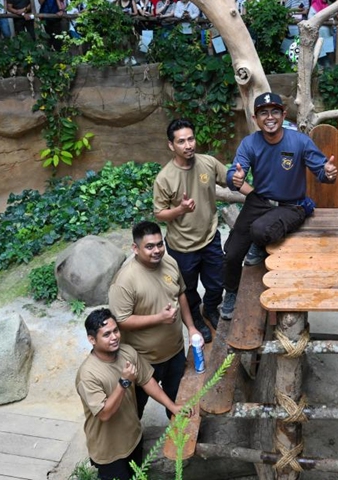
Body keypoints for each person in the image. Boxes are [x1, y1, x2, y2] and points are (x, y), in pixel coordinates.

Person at [220, 92, 338, 320]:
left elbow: (322, 172)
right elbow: (234, 173)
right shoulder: (250, 143)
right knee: (232, 253)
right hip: (260, 201)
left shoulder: (299, 141)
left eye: (275, 111)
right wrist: (234, 178)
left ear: (284, 114)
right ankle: (231, 292)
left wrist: (329, 173)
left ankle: (265, 237)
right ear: (255, 118)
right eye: (263, 113)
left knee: (260, 230)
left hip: (291, 204)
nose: (270, 117)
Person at [154, 119, 251, 341]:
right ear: (171, 145)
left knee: (217, 282)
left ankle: (210, 308)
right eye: (181, 141)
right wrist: (179, 209)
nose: (188, 145)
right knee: (187, 289)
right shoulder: (165, 178)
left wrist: (242, 183)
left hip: (209, 238)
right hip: (182, 246)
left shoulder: (207, 163)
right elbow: (159, 214)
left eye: (191, 139)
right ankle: (196, 318)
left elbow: (229, 179)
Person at [76, 308, 184, 480]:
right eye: (106, 334)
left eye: (116, 331)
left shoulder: (127, 352)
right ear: (92, 340)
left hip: (133, 438)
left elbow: (147, 380)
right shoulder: (88, 375)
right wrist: (124, 382)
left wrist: (173, 407)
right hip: (109, 452)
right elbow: (104, 413)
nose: (114, 337)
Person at [108, 221, 201, 419]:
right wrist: (159, 318)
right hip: (143, 359)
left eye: (160, 244)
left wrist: (191, 328)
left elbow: (181, 293)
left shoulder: (170, 263)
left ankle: (179, 443)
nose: (156, 250)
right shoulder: (125, 281)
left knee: (178, 404)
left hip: (175, 352)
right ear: (135, 248)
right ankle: (133, 445)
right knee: (135, 409)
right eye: (149, 246)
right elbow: (121, 321)